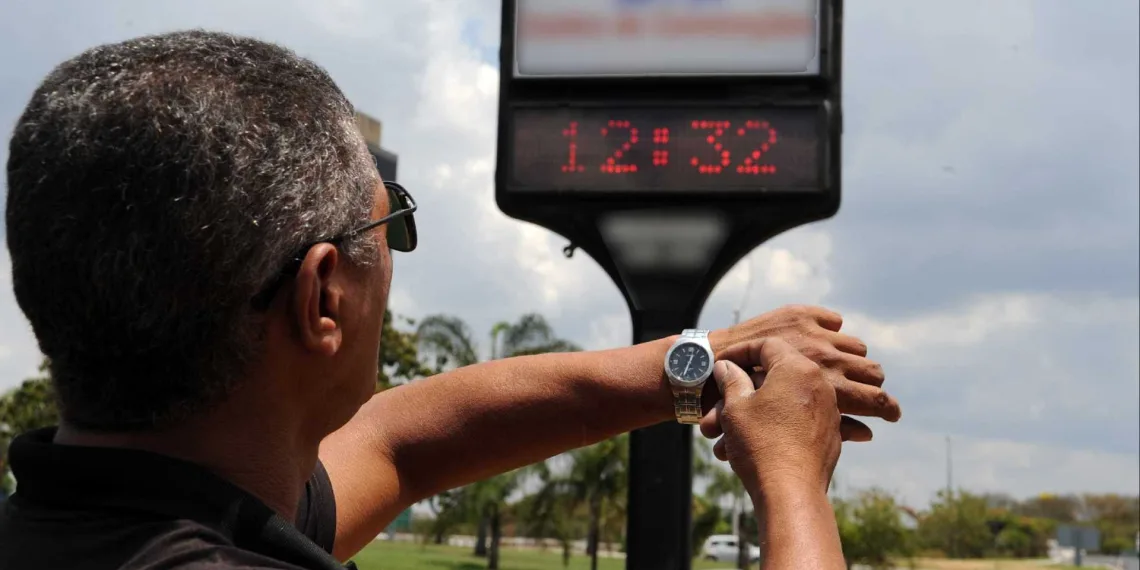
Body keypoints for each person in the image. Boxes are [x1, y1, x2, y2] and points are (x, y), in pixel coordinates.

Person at [0, 31, 901, 570]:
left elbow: (404, 442)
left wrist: (699, 357)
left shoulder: (109, 515)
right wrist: (790, 482)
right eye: (386, 231)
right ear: (322, 294)